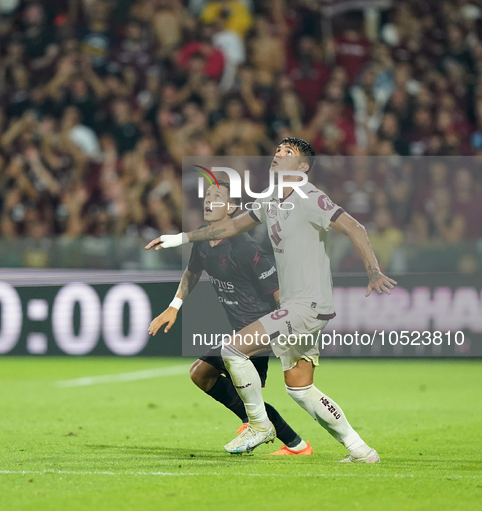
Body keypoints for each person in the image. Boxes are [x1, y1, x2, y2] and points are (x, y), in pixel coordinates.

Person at [146, 137, 397, 463]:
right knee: (300, 389)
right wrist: (180, 237)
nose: (278, 154)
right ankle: (360, 450)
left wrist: (373, 271)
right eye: (278, 150)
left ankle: (260, 425)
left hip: (306, 304)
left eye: (288, 153)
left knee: (233, 349)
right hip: (298, 305)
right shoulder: (270, 199)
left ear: (303, 167)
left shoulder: (311, 197)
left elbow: (355, 227)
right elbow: (232, 226)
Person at [148, 180, 312, 455]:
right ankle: (294, 443)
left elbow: (279, 294)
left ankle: (263, 427)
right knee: (201, 374)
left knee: (245, 391)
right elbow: (192, 272)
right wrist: (174, 306)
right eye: (207, 195)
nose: (209, 200)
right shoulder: (202, 237)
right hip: (240, 330)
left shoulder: (245, 248)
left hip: (263, 328)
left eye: (218, 196)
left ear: (232, 207)